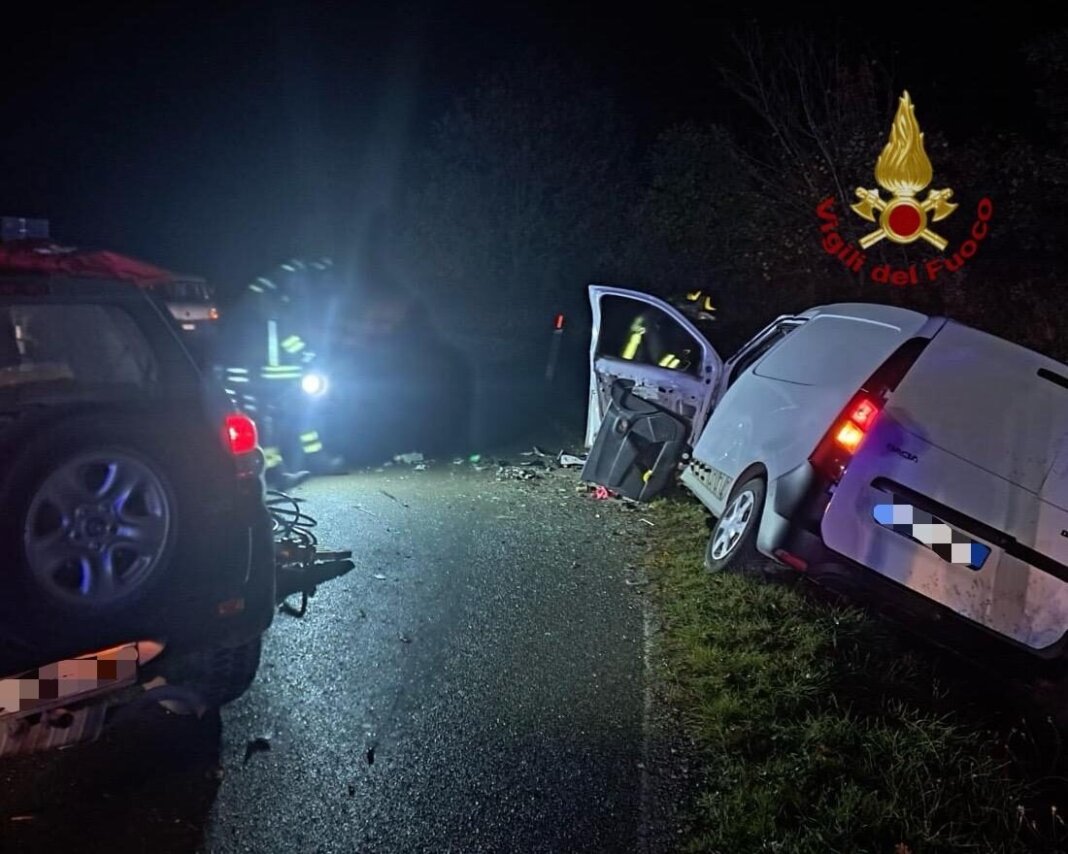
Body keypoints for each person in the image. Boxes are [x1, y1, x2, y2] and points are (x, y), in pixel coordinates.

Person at [216, 258, 346, 489]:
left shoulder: (279, 291)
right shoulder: (279, 290)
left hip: (271, 373)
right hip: (258, 375)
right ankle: (275, 472)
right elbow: (284, 333)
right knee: (265, 422)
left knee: (301, 411)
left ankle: (305, 463)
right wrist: (306, 356)